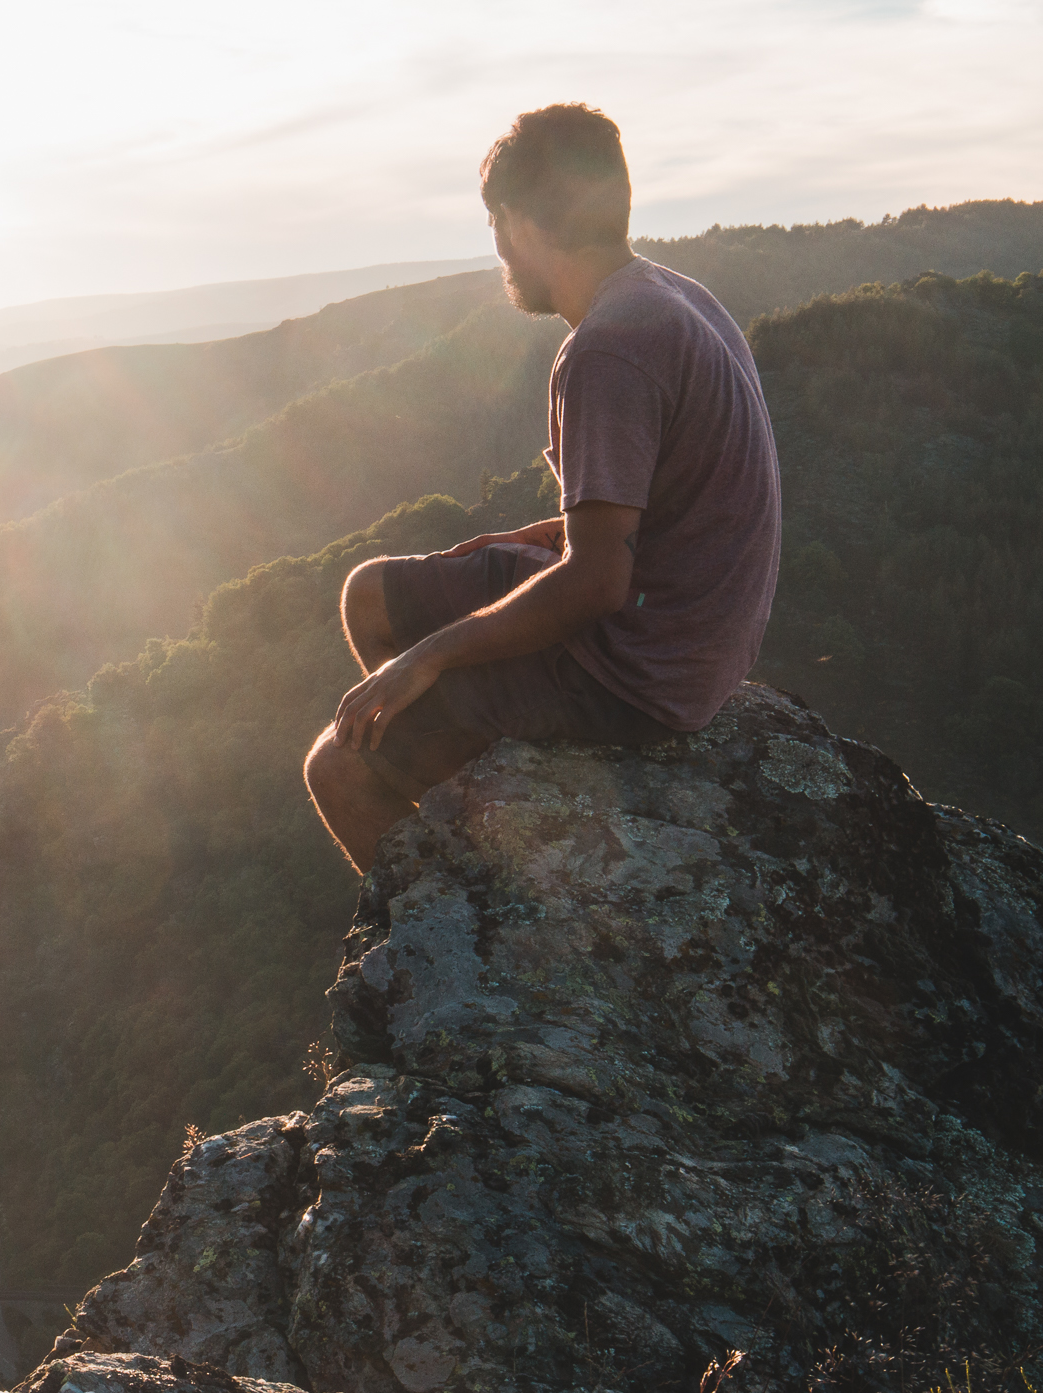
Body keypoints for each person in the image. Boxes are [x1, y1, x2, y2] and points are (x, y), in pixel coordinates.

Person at [302, 102, 782, 875]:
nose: (497, 251)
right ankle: (475, 794)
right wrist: (543, 537)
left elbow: (596, 584)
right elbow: (660, 507)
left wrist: (428, 657)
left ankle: (470, 912)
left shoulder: (608, 352)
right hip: (681, 627)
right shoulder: (675, 298)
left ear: (517, 225)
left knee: (337, 770)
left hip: (639, 671)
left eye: (495, 227)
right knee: (370, 593)